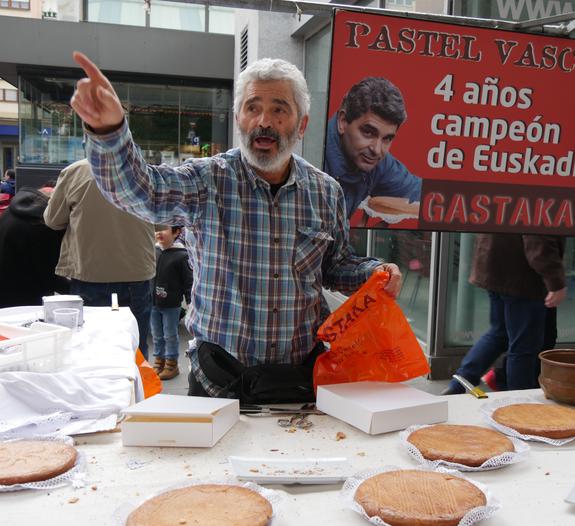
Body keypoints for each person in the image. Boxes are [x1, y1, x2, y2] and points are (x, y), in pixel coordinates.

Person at [69, 52, 402, 401]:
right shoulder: (206, 180)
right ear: (238, 119)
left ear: (302, 125)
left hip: (300, 378)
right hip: (219, 380)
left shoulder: (325, 191)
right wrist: (109, 131)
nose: (264, 122)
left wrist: (374, 273)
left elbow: (335, 266)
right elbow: (139, 191)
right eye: (252, 108)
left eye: (279, 110)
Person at [43, 159, 155, 357]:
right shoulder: (144, 170)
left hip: (89, 272)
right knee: (135, 347)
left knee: (91, 348)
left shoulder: (75, 172)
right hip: (137, 272)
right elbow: (162, 221)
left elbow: (53, 220)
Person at [442, 234, 566, 394]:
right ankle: (520, 402)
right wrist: (555, 281)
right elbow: (538, 237)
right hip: (522, 275)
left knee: (500, 333)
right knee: (524, 346)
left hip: (496, 265)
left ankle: (459, 383)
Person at [324, 77, 422, 220]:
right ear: (343, 122)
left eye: (387, 138)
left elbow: (425, 194)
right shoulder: (309, 155)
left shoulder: (377, 163)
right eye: (368, 132)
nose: (376, 150)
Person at [0, 183, 69, 307]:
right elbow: (48, 274)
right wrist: (79, 290)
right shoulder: (42, 224)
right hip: (24, 299)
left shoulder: (12, 210)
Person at [151, 225, 193, 381]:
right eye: (157, 228)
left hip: (171, 304)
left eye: (164, 228)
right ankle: (159, 360)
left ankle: (172, 363)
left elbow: (188, 281)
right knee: (156, 334)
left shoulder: (181, 256)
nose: (159, 232)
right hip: (153, 302)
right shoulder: (153, 251)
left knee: (170, 335)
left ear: (176, 232)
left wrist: (190, 302)